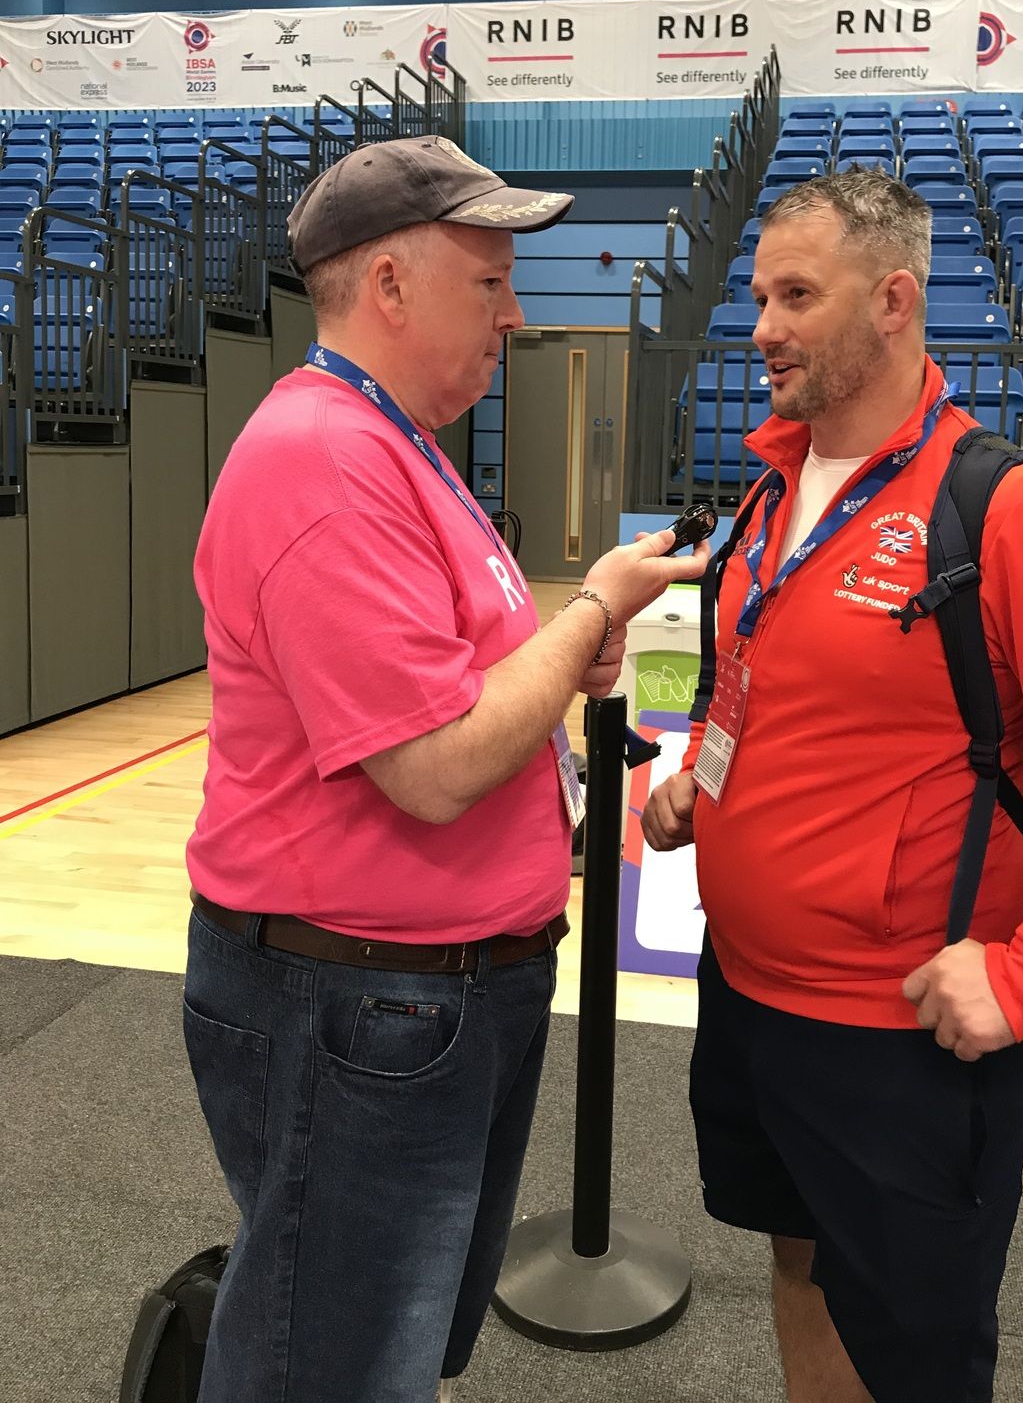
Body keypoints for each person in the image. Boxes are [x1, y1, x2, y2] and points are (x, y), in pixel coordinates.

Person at [642, 167, 1023, 1403]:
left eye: (796, 294)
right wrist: (698, 782)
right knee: (801, 1269)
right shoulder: (769, 497)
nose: (761, 326)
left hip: (903, 1039)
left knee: (919, 1348)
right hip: (747, 999)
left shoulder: (1017, 509)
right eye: (756, 294)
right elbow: (749, 678)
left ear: (893, 301)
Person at [184, 134, 709, 1403]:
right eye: (490, 282)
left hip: (417, 999)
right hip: (358, 1003)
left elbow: (466, 685)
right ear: (389, 286)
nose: (515, 315)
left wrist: (547, 659)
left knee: (383, 1345)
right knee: (333, 1363)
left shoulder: (395, 445)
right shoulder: (324, 460)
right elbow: (431, 765)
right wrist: (594, 616)